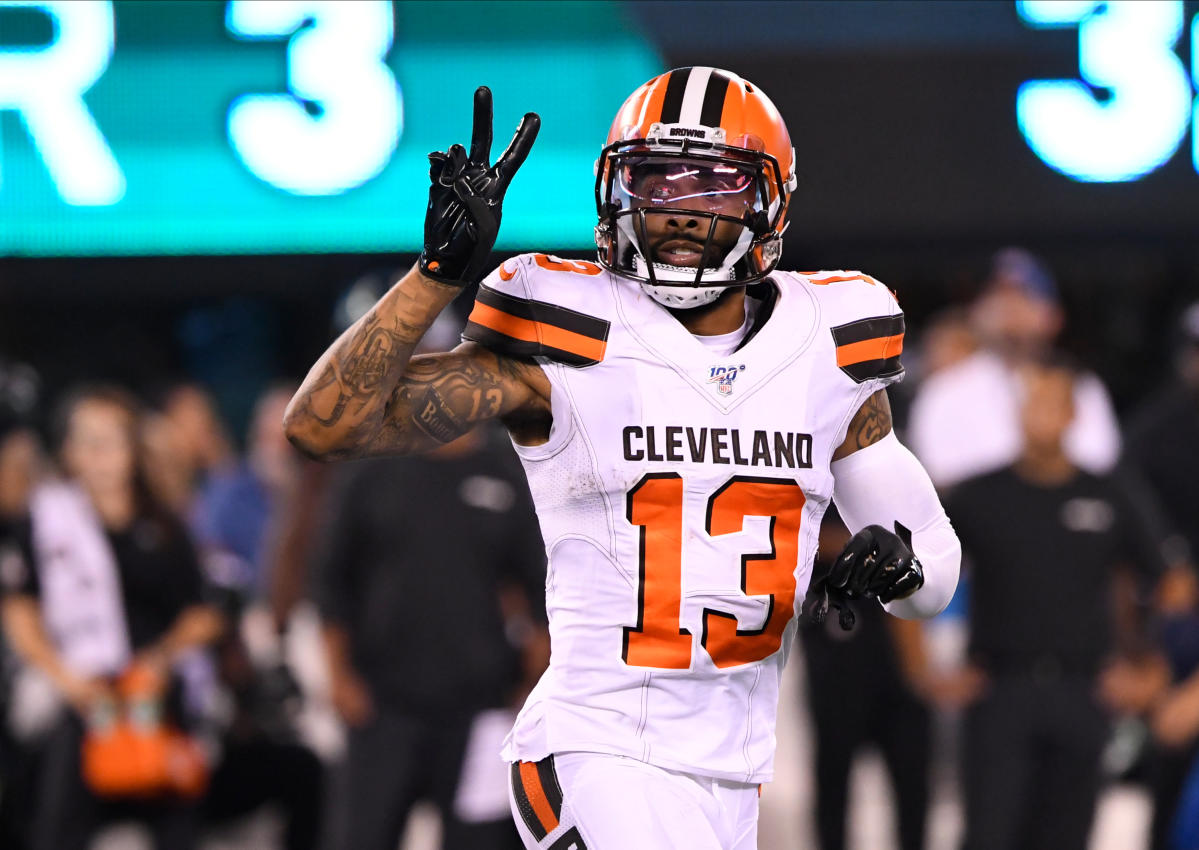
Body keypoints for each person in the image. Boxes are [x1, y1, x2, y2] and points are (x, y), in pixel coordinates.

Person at [284, 68, 961, 849]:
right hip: (594, 751)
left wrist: (899, 572)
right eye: (651, 179)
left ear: (766, 201)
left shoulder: (829, 340)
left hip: (731, 769)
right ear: (615, 188)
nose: (673, 208)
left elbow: (931, 570)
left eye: (708, 184)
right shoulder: (566, 334)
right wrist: (434, 275)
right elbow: (322, 429)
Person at [946, 357, 1172, 850]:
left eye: (1051, 403)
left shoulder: (1108, 493)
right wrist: (924, 667)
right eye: (1030, 402)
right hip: (1000, 690)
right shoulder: (980, 496)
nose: (1038, 414)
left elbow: (1168, 583)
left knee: (1067, 836)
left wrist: (1148, 662)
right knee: (988, 835)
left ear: (1074, 414)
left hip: (1084, 691)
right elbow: (918, 577)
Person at [0, 385, 224, 850]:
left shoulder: (163, 524)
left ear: (132, 448)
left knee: (179, 822)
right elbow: (19, 610)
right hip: (84, 702)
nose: (101, 455)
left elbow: (204, 611)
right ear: (70, 451)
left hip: (150, 701)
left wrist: (160, 659)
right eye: (89, 440)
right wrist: (65, 679)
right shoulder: (46, 521)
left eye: (111, 440)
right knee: (55, 816)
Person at [313, 413, 547, 850]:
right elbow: (331, 580)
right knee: (360, 838)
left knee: (484, 843)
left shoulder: (505, 469)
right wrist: (338, 676)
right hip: (382, 702)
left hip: (480, 705)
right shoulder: (371, 466)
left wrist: (533, 685)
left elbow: (540, 585)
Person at [907, 247, 1121, 489]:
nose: (1010, 309)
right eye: (999, 295)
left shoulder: (1081, 386)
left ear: (1054, 317)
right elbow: (938, 476)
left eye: (1024, 296)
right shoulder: (945, 389)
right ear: (977, 311)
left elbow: (1099, 464)